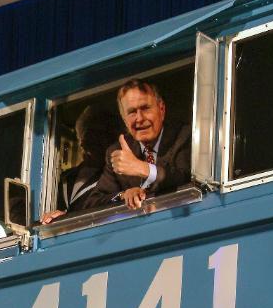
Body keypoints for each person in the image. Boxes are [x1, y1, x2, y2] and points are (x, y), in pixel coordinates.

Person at [79, 79, 191, 212]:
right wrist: (124, 195)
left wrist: (143, 169)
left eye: (145, 108)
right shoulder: (118, 151)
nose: (139, 118)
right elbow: (92, 203)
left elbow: (186, 178)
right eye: (132, 112)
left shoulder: (184, 135)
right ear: (124, 120)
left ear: (161, 109)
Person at [40, 105, 116, 225]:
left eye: (98, 133)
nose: (90, 138)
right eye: (86, 131)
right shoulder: (64, 177)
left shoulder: (114, 178)